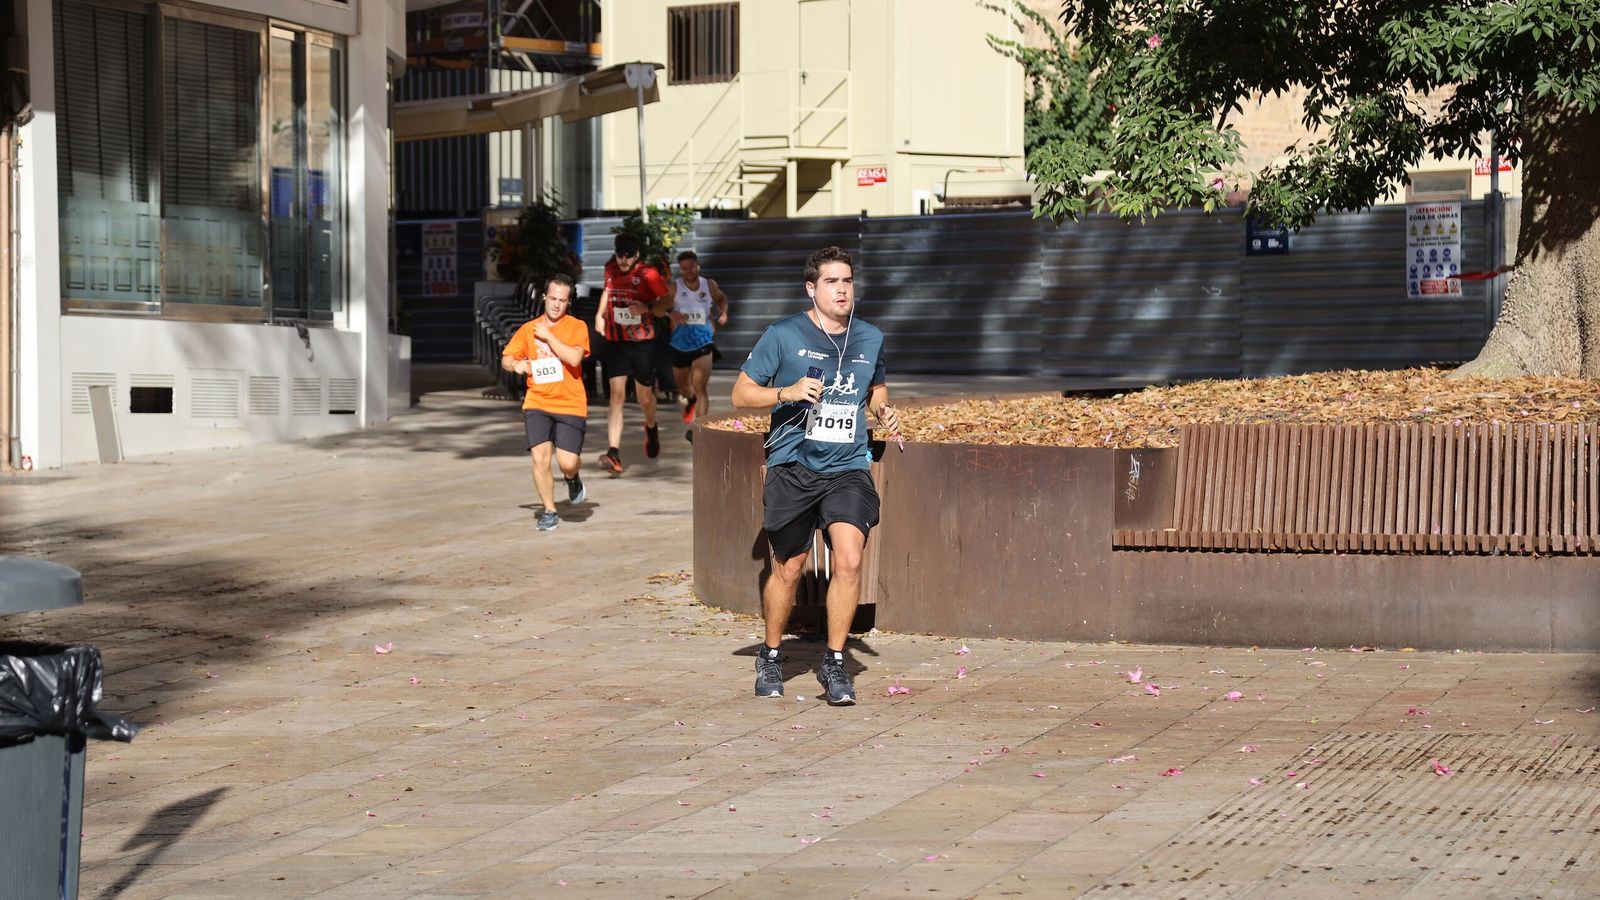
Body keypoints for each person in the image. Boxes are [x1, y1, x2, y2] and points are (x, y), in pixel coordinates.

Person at [730, 246, 900, 706]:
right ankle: (770, 652)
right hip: (793, 465)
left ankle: (835, 661)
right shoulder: (783, 335)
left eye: (847, 281)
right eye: (831, 281)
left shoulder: (869, 337)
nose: (842, 289)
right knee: (789, 567)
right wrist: (786, 391)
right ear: (812, 287)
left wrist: (883, 411)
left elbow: (876, 388)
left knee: (848, 559)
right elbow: (741, 394)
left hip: (847, 466)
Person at [501, 273, 591, 531]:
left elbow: (574, 359)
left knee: (567, 462)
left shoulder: (577, 327)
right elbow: (506, 358)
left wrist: (549, 336)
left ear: (568, 302)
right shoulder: (528, 329)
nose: (556, 304)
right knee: (540, 458)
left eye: (562, 300)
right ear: (544, 297)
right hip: (537, 401)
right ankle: (549, 510)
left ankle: (572, 477)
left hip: (570, 403)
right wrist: (516, 364)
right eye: (552, 298)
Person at [593, 233, 672, 474]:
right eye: (619, 255)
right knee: (616, 396)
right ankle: (613, 452)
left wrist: (647, 307)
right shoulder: (610, 268)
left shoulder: (648, 274)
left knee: (644, 398)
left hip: (641, 342)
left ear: (637, 255)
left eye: (628, 256)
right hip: (616, 341)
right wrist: (599, 315)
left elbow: (667, 301)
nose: (623, 261)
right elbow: (608, 290)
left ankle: (651, 425)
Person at [668, 250, 729, 438]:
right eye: (684, 268)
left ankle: (697, 429)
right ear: (681, 269)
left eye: (692, 267)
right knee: (683, 386)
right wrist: (672, 313)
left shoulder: (708, 285)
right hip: (680, 343)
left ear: (697, 266)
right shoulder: (673, 287)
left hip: (703, 340)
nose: (689, 271)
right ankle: (690, 398)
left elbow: (721, 298)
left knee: (700, 385)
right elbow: (660, 306)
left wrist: (723, 311)